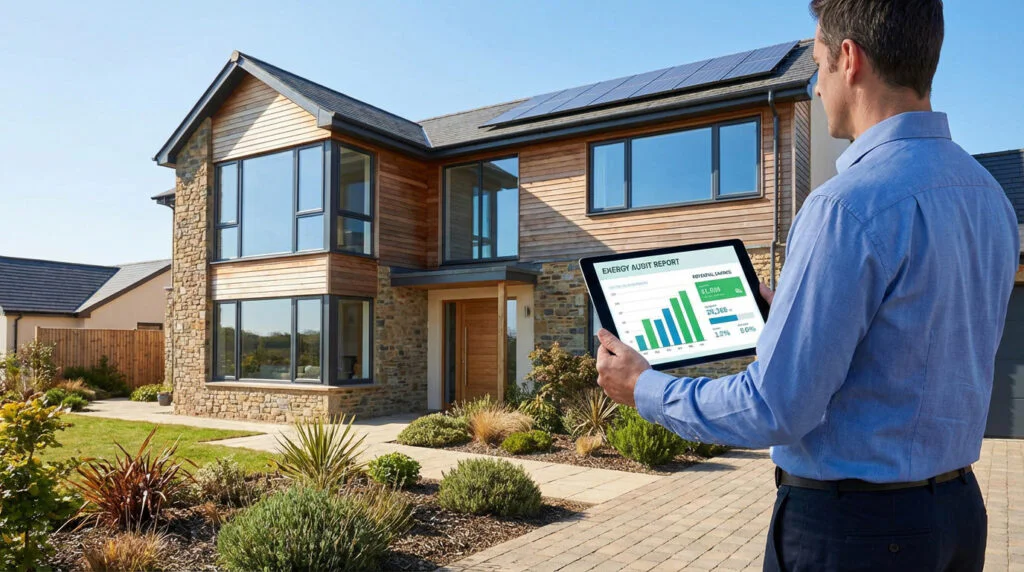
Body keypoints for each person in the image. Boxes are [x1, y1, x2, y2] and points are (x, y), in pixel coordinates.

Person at [594, 1, 1019, 570]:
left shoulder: (845, 207)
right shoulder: (989, 196)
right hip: (959, 517)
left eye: (817, 64)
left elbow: (773, 408)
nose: (816, 88)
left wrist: (645, 388)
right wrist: (796, 311)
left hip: (854, 535)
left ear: (850, 59)